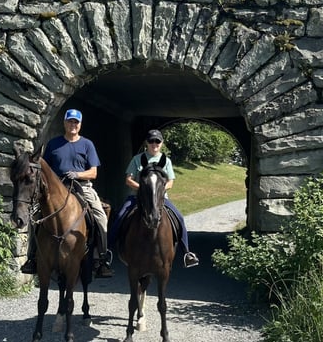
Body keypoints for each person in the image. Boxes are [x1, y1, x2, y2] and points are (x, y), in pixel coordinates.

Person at [20, 108, 114, 278]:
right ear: (64, 123)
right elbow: (44, 169)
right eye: (70, 121)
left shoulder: (87, 144)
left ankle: (102, 259)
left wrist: (77, 174)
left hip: (82, 186)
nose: (73, 125)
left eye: (76, 122)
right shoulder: (54, 144)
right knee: (35, 217)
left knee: (101, 217)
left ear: (80, 125)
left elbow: (93, 172)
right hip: (57, 187)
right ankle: (32, 258)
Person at [109, 129, 199, 268]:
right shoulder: (137, 159)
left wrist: (159, 191)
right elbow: (128, 179)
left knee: (179, 218)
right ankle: (107, 251)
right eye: (151, 141)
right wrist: (144, 189)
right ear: (147, 143)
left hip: (160, 198)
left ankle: (187, 253)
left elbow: (170, 182)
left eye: (157, 141)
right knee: (120, 216)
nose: (154, 144)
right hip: (137, 197)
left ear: (161, 143)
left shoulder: (166, 161)